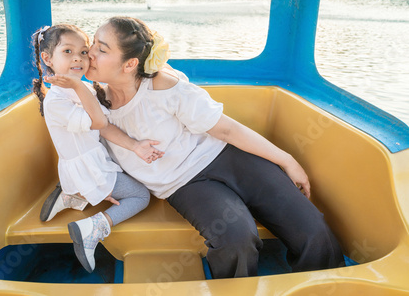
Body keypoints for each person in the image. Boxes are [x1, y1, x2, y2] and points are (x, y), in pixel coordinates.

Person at [83, 16, 345, 278]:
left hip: (228, 156)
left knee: (314, 231)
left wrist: (287, 160)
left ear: (130, 64)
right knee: (236, 240)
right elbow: (79, 149)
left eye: (101, 48)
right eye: (93, 42)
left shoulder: (164, 86)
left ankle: (327, 287)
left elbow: (226, 129)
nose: (89, 52)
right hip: (185, 184)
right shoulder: (88, 102)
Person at [32, 24, 163, 273]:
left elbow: (102, 129)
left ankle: (71, 195)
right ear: (48, 58)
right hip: (89, 169)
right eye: (68, 52)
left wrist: (135, 146)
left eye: (83, 52)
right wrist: (81, 87)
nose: (78, 59)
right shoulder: (57, 100)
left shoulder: (82, 90)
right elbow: (100, 122)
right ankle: (94, 227)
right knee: (140, 196)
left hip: (93, 163)